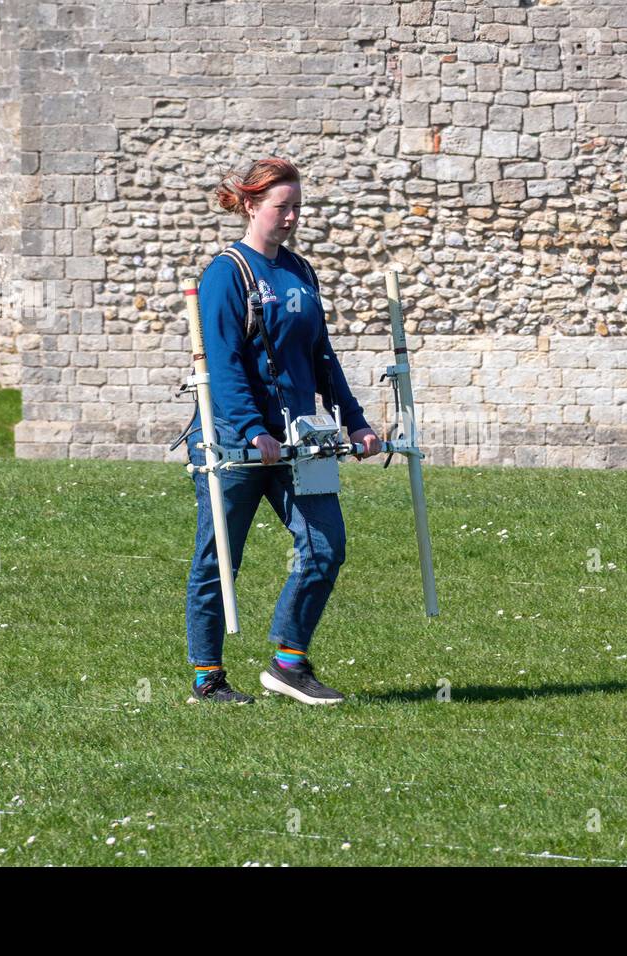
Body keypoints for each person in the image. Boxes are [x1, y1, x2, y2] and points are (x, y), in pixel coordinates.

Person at [183, 157, 381, 706]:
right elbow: (221, 364)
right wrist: (250, 428)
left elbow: (320, 356)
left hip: (300, 438)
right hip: (232, 439)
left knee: (325, 544)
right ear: (250, 206)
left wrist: (355, 419)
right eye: (281, 207)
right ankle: (208, 677)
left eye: (297, 206)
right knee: (220, 557)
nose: (292, 217)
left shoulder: (300, 272)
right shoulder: (226, 272)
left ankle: (288, 662)